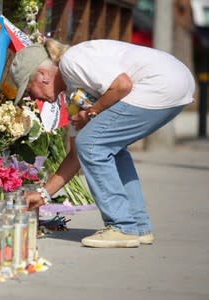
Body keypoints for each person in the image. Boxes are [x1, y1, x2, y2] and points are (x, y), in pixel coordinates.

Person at [10, 39, 195, 248]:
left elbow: (122, 85)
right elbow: (77, 155)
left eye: (28, 89)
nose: (34, 98)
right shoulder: (74, 94)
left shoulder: (71, 61)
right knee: (106, 148)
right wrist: (42, 195)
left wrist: (90, 113)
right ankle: (138, 227)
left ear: (42, 75)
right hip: (176, 84)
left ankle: (122, 227)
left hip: (161, 83)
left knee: (92, 143)